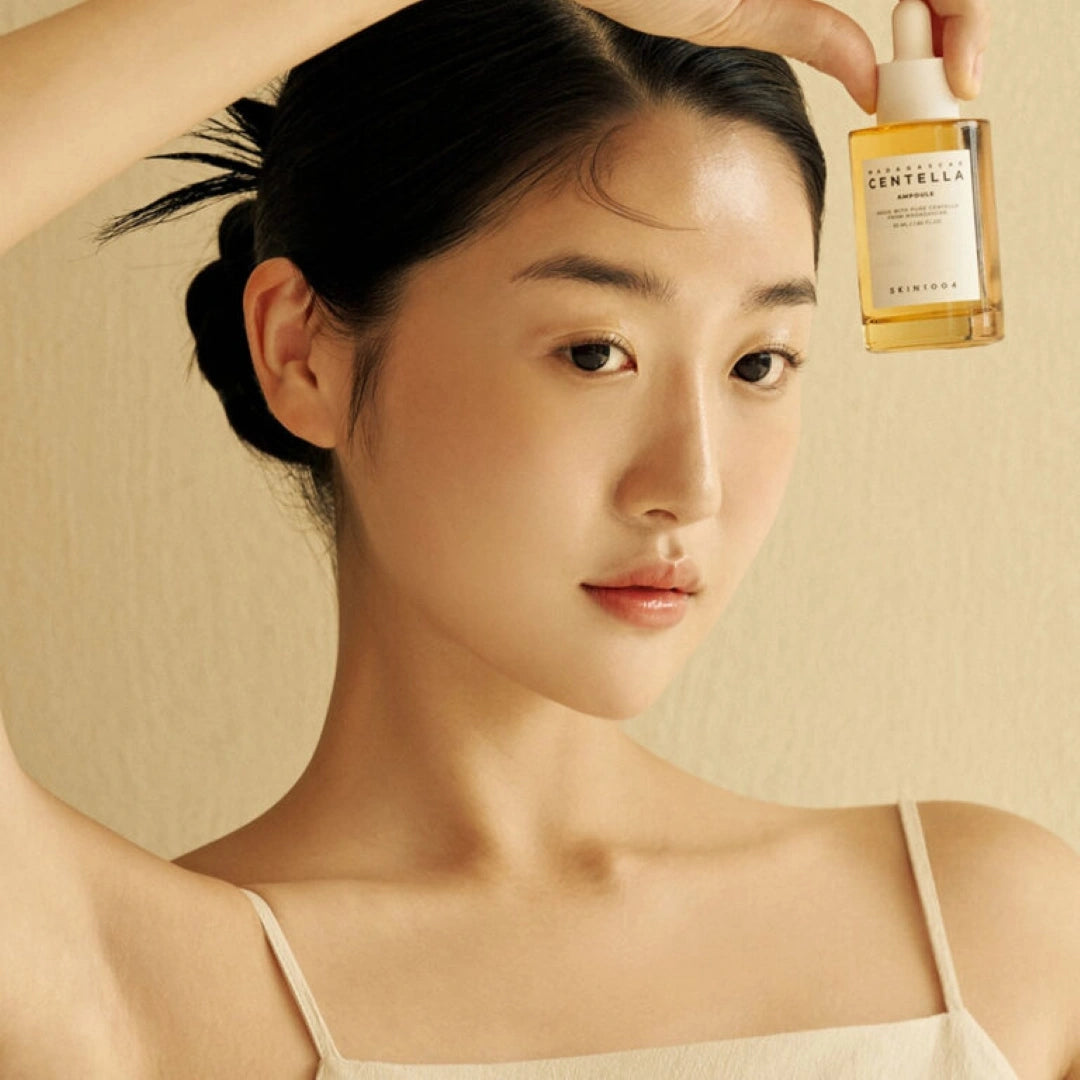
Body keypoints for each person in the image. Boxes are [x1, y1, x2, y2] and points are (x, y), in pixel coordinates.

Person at [3, 1, 1077, 1079]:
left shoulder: (999, 939)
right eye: (595, 353)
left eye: (759, 363)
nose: (689, 486)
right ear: (302, 354)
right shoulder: (133, 987)